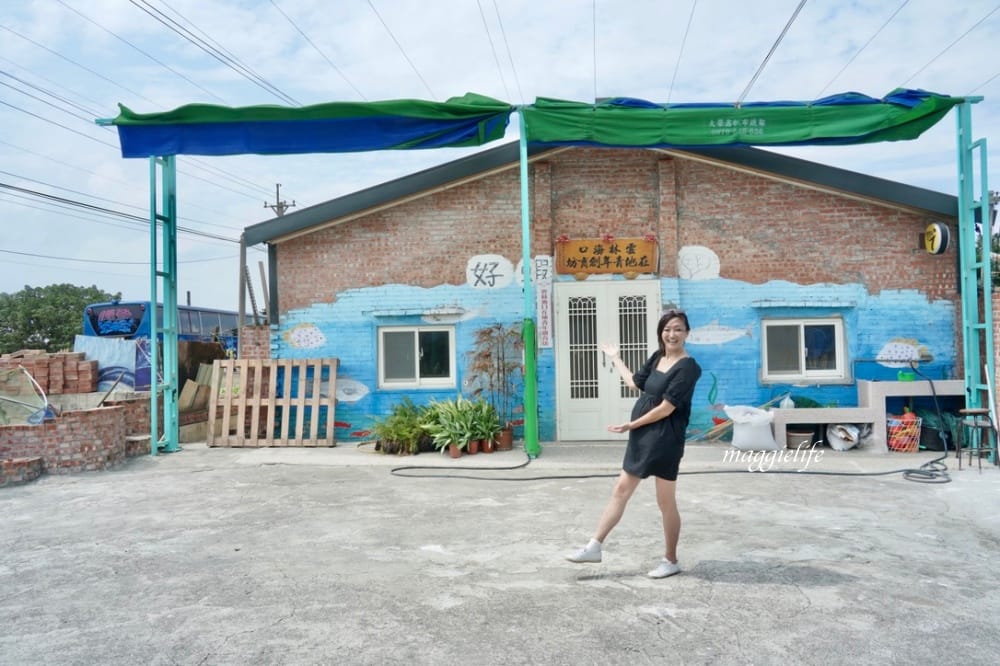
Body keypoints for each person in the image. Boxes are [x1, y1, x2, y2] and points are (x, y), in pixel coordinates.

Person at [565, 309, 702, 579]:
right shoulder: (657, 357)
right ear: (660, 332)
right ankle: (594, 546)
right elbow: (634, 384)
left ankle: (671, 560)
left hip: (665, 437)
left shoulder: (689, 368)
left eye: (677, 329)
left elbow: (666, 408)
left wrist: (631, 425)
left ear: (687, 333)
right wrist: (615, 357)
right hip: (642, 435)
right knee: (621, 489)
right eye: (667, 329)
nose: (672, 334)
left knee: (665, 501)